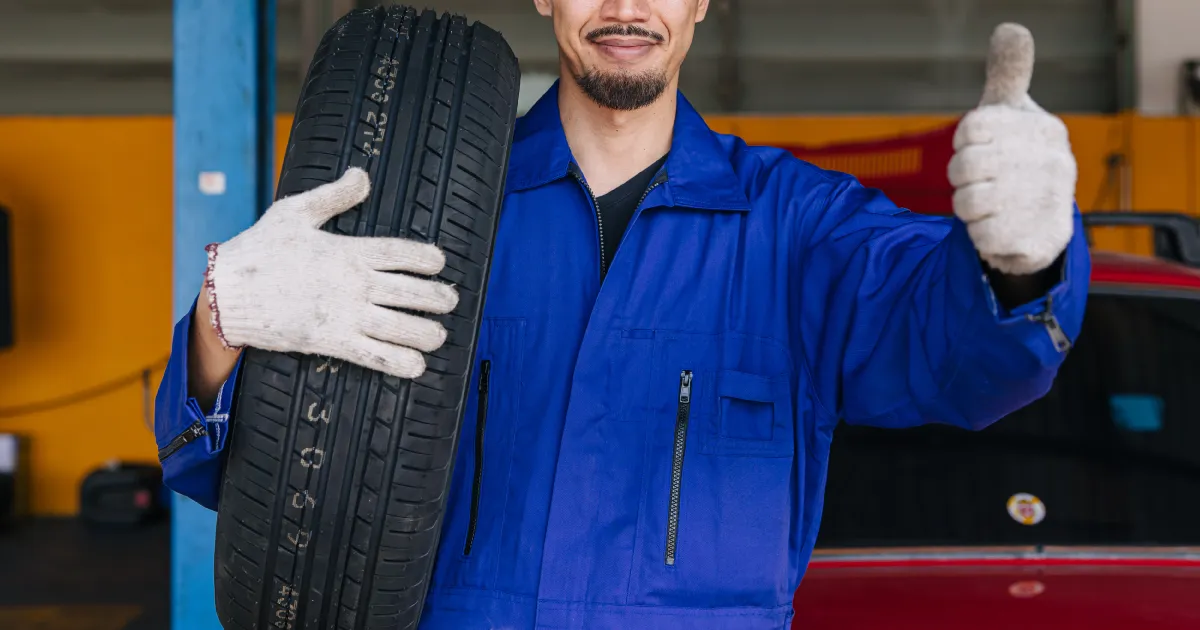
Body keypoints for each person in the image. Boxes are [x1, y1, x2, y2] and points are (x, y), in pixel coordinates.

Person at [156, 1, 1089, 628]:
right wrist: (221, 319)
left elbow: (958, 359)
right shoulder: (412, 217)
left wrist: (1026, 260)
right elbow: (245, 473)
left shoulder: (800, 230)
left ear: (699, 5)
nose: (628, 5)